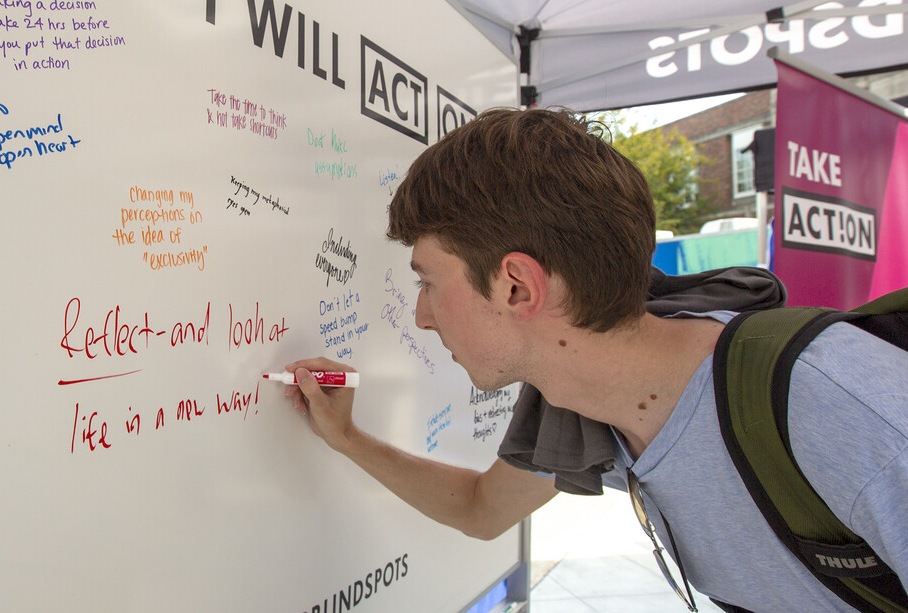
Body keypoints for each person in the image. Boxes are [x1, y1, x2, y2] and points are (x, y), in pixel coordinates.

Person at [281, 108, 908, 612]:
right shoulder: (580, 403)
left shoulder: (834, 405)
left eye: (428, 282)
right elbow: (480, 510)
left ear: (516, 287)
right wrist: (348, 438)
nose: (421, 314)